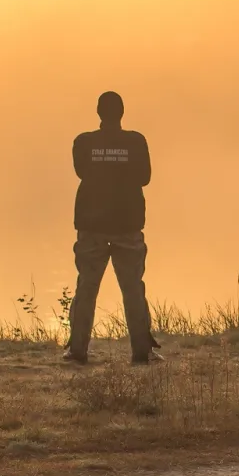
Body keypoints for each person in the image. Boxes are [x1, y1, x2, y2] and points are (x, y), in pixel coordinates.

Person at [63, 91, 163, 365]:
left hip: (91, 226)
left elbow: (82, 172)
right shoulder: (136, 141)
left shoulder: (83, 142)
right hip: (127, 225)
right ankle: (142, 352)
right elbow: (145, 177)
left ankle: (78, 351)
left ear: (98, 112)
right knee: (133, 289)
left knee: (86, 288)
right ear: (122, 112)